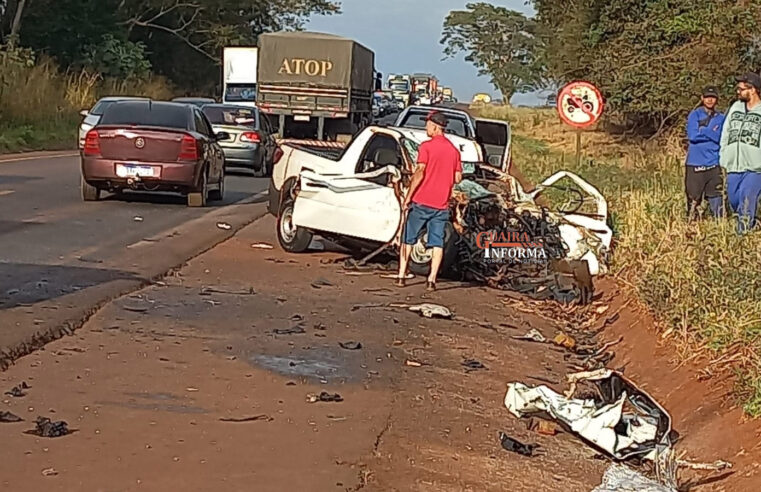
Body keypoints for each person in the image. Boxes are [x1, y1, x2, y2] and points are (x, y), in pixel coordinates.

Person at [397, 111, 462, 291]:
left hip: (421, 201)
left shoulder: (426, 147)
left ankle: (402, 275)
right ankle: (431, 280)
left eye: (427, 124)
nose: (426, 127)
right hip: (441, 205)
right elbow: (457, 178)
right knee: (437, 242)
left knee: (408, 239)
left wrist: (408, 196)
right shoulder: (454, 151)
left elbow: (419, 172)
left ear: (435, 127)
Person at [720, 72, 761, 234]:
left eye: (741, 89)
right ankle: (752, 222)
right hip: (733, 165)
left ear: (753, 90)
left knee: (746, 198)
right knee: (734, 200)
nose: (738, 92)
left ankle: (742, 237)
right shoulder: (735, 107)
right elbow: (726, 131)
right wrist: (723, 154)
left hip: (755, 167)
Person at [685, 86, 725, 220]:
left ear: (717, 100)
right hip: (695, 164)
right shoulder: (694, 115)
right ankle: (691, 228)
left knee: (716, 198)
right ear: (702, 98)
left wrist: (704, 130)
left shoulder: (721, 118)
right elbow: (693, 136)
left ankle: (719, 228)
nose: (710, 100)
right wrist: (712, 133)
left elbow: (721, 138)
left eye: (712, 97)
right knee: (693, 200)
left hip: (714, 163)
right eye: (707, 97)